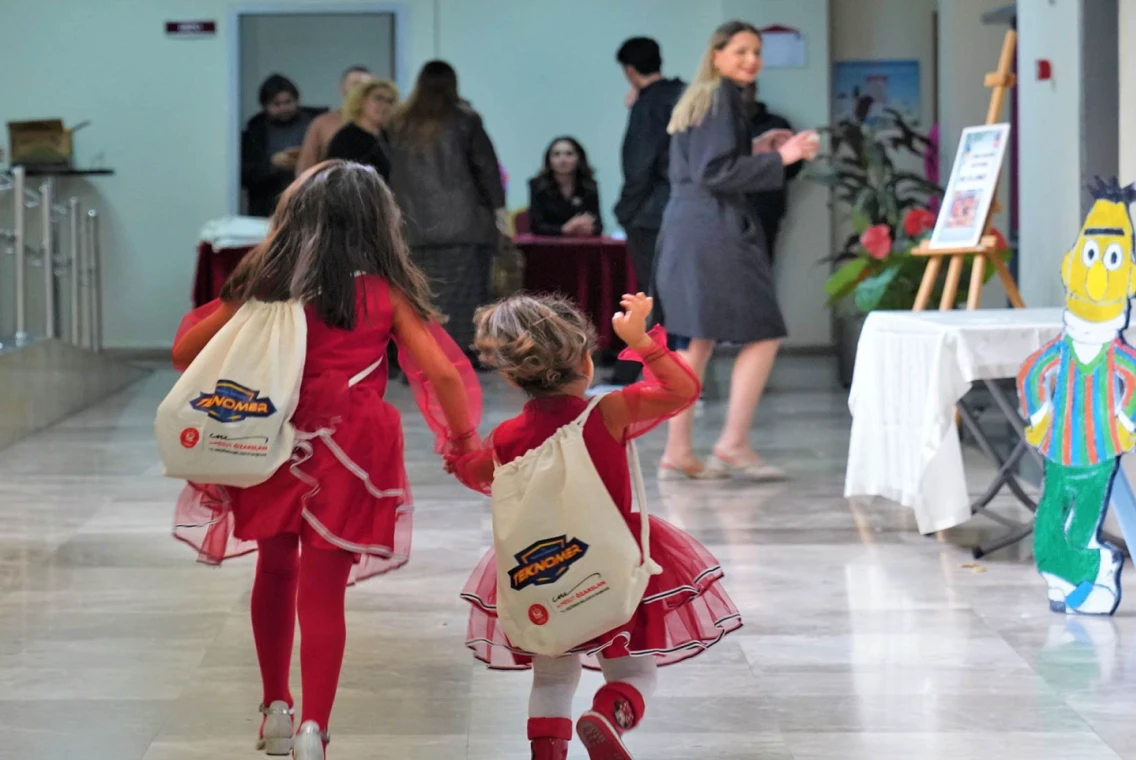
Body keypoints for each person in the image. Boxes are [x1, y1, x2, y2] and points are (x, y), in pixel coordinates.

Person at [170, 161, 481, 760]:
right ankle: (316, 726)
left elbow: (186, 349)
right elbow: (441, 371)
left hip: (272, 434)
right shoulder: (382, 292)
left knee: (275, 567)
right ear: (377, 222)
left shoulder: (264, 282)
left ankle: (275, 710)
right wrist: (462, 440)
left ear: (293, 217)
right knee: (323, 589)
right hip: (353, 442)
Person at [451, 293, 741, 760]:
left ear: (511, 375)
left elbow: (475, 473)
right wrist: (643, 343)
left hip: (543, 568)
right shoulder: (606, 413)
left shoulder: (506, 438)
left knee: (551, 679)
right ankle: (608, 713)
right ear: (586, 360)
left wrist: (459, 450)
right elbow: (681, 390)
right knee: (634, 674)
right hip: (610, 564)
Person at [655, 21, 819, 481]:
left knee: (698, 338)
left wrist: (757, 148)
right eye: (742, 51)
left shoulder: (702, 97)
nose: (752, 60)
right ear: (717, 55)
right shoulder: (722, 96)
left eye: (757, 52)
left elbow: (709, 162)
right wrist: (780, 159)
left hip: (690, 226)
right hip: (715, 229)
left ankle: (679, 451)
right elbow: (715, 173)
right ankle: (732, 443)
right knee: (762, 331)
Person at [388, 60, 507, 364]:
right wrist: (498, 208)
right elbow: (487, 169)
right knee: (465, 300)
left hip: (412, 228)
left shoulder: (398, 124)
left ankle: (420, 356)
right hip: (464, 227)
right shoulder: (465, 120)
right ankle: (463, 357)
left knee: (421, 297)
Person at [612, 36, 685, 384]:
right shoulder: (686, 96)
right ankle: (685, 371)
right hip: (688, 208)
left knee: (650, 296)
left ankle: (642, 373)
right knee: (681, 294)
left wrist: (624, 211)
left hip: (652, 214)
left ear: (629, 71)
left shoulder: (647, 105)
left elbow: (639, 165)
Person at [241, 74, 324, 217]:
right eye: (277, 104)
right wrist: (272, 165)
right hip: (269, 206)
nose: (284, 108)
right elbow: (245, 174)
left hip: (313, 201)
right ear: (265, 106)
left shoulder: (318, 122)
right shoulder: (254, 131)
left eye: (288, 102)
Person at [742, 81, 804, 266]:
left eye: (743, 89)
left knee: (761, 274)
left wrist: (770, 162)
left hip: (764, 212)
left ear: (754, 89)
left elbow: (793, 168)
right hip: (725, 214)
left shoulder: (776, 125)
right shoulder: (721, 127)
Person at [296, 65, 374, 174]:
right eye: (356, 85)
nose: (361, 91)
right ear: (342, 89)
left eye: (367, 87)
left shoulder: (382, 125)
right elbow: (305, 170)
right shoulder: (322, 123)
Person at [325, 79, 398, 182]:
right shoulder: (346, 138)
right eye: (379, 98)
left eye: (390, 101)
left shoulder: (390, 136)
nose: (384, 106)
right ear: (362, 101)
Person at [528, 136, 602, 236]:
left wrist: (587, 227)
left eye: (569, 154)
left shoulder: (589, 186)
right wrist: (564, 229)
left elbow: (598, 226)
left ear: (579, 158)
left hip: (581, 244)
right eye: (556, 154)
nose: (563, 160)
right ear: (549, 160)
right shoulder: (537, 186)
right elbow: (536, 227)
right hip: (548, 245)